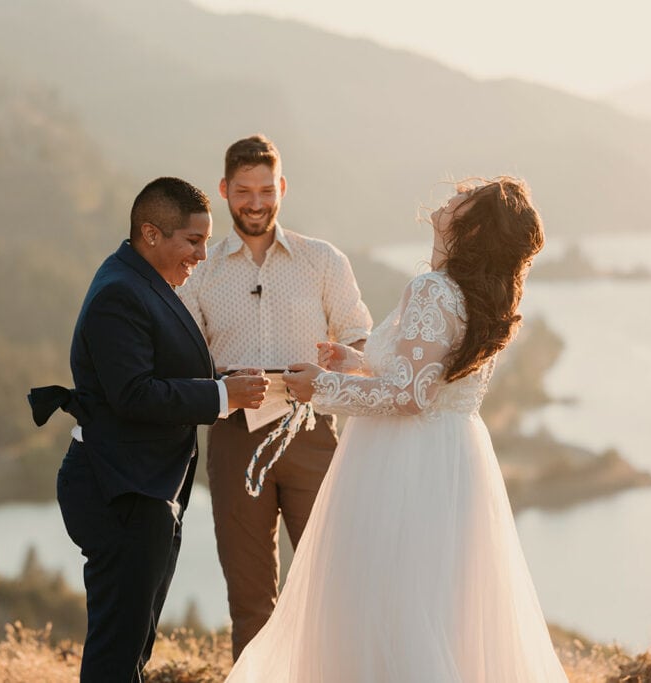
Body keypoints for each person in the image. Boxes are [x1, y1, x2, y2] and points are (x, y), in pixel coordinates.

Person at [227, 177, 570, 681]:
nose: (452, 195)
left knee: (383, 604)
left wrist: (320, 387)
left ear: (473, 227)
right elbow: (425, 374)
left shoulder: (433, 289)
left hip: (402, 463)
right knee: (440, 608)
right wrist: (358, 362)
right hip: (454, 462)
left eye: (464, 198)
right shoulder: (481, 298)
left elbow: (409, 396)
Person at [51, 177, 269, 682]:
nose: (201, 254)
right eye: (192, 241)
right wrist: (221, 398)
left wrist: (220, 382)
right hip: (118, 490)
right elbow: (133, 394)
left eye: (206, 241)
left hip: (144, 489)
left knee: (133, 647)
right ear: (150, 233)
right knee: (116, 650)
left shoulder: (142, 280)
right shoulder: (119, 293)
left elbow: (157, 372)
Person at [177, 134, 373, 659]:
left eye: (266, 189)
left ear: (282, 187)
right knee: (250, 597)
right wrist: (221, 381)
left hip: (313, 435)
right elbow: (181, 361)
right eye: (244, 191)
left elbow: (361, 339)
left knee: (331, 585)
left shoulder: (323, 260)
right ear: (224, 190)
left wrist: (333, 363)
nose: (257, 202)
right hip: (234, 437)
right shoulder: (202, 273)